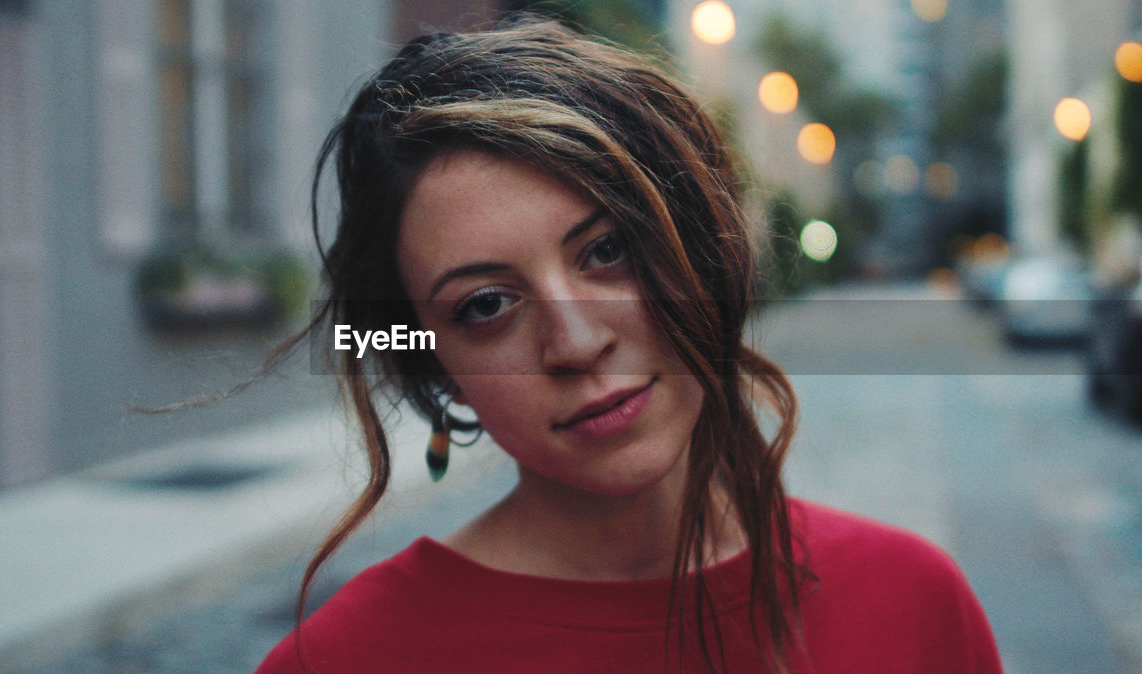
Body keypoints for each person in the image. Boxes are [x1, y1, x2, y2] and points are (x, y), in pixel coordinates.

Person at [256, 19, 1002, 674]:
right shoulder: (341, 661)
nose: (576, 342)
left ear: (699, 251)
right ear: (435, 364)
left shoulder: (914, 604)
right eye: (486, 306)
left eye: (608, 250)